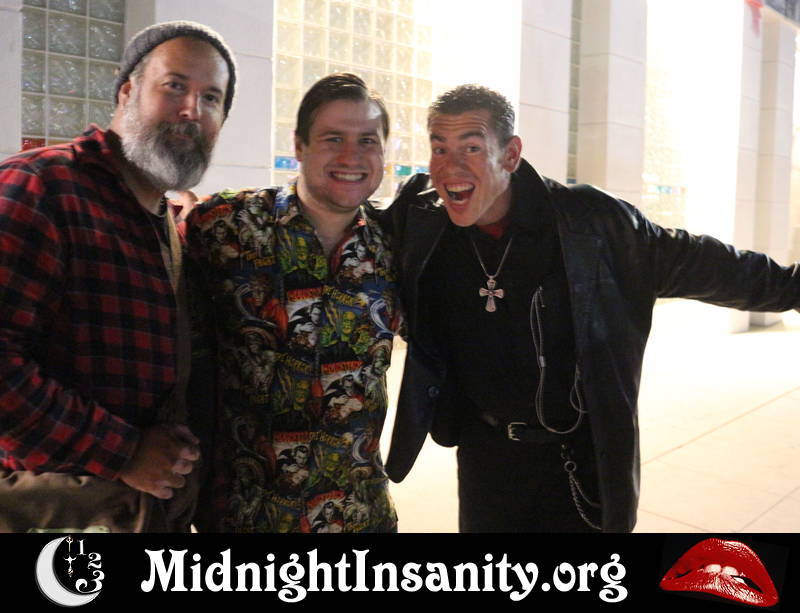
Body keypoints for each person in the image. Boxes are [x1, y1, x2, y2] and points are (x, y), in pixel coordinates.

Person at [382, 84, 800, 533]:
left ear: (511, 155)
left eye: (471, 148)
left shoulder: (591, 223)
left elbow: (702, 262)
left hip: (578, 457)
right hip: (484, 454)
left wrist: (792, 288)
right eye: (439, 149)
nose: (451, 167)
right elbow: (352, 230)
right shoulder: (423, 221)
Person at [0, 21, 237, 532]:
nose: (192, 110)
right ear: (127, 91)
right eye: (174, 86)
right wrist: (122, 450)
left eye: (211, 98)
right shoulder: (41, 187)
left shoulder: (166, 224)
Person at [185, 73, 401, 533]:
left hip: (359, 517)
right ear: (299, 145)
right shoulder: (224, 225)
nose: (351, 156)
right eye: (333, 138)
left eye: (368, 140)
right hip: (246, 518)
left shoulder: (398, 244)